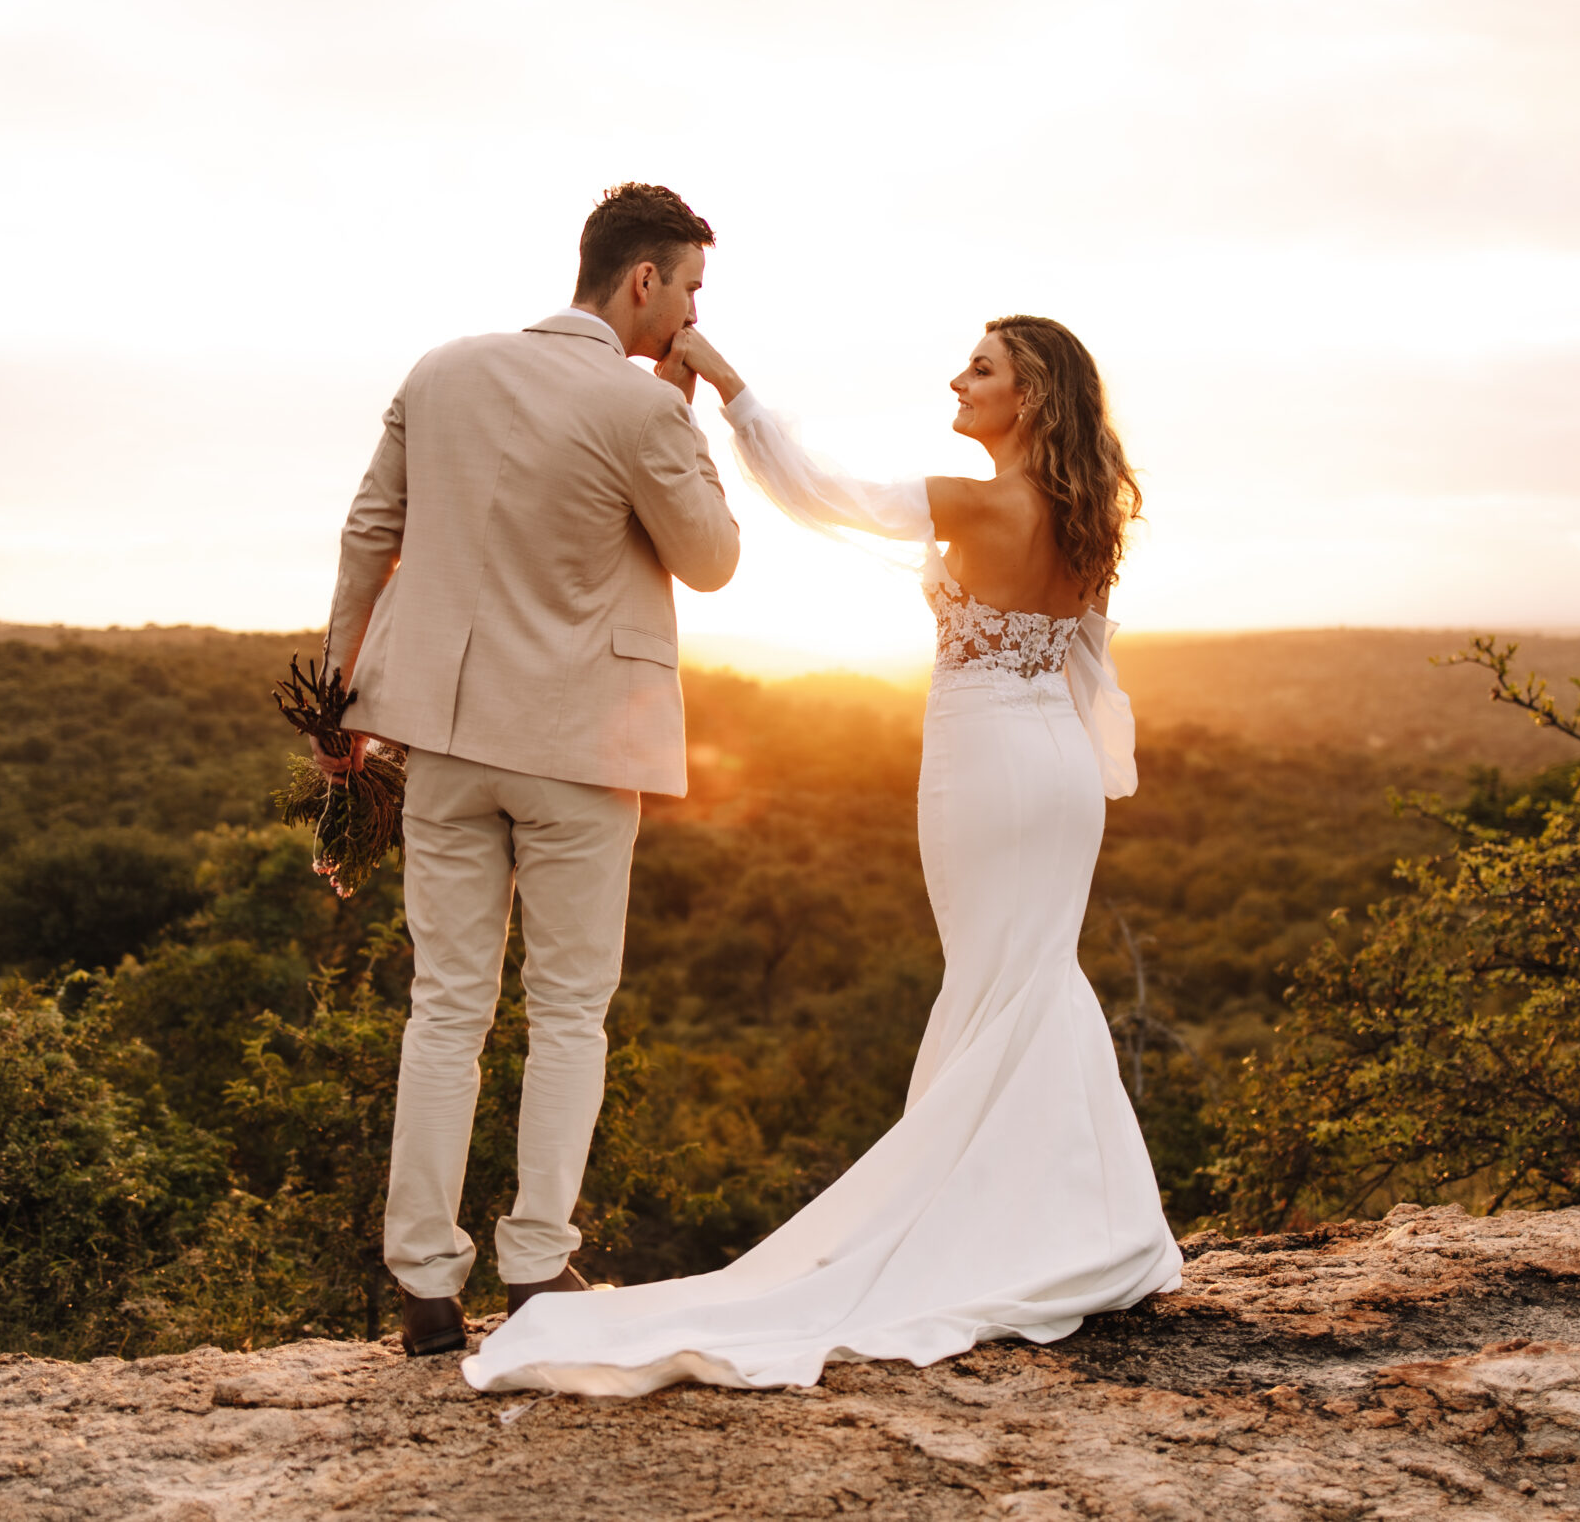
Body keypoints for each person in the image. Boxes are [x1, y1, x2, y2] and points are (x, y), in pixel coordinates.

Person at [462, 313, 1182, 1395]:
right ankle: (1081, 1221)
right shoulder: (1080, 519)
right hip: (1058, 779)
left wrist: (724, 380)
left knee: (996, 983)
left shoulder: (978, 500)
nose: (958, 377)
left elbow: (817, 492)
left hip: (984, 767)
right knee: (1027, 980)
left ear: (1028, 396)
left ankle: (974, 1226)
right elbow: (1090, 665)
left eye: (980, 367)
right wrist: (1093, 771)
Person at [317, 183, 741, 1357]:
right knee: (567, 1011)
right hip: (578, 743)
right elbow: (710, 560)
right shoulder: (640, 402)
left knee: (444, 1007)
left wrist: (336, 700)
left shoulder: (442, 370)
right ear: (642, 281)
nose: (693, 314)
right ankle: (540, 1266)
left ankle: (424, 1286)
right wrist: (681, 414)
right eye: (692, 289)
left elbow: (369, 531)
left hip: (441, 735)